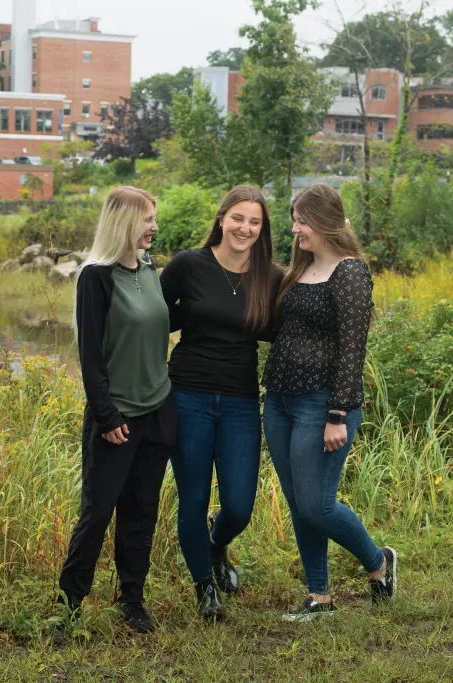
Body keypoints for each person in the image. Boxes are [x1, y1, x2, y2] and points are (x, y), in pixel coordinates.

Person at [262, 183, 396, 621]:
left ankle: (378, 563)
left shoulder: (350, 272)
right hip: (279, 400)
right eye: (295, 219)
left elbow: (352, 349)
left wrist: (337, 414)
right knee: (298, 501)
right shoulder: (299, 269)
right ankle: (319, 597)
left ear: (321, 222)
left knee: (316, 503)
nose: (295, 228)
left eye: (301, 220)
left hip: (321, 406)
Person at [56, 186, 175, 634]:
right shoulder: (96, 277)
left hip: (157, 413)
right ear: (123, 222)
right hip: (116, 418)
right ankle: (68, 606)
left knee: (142, 512)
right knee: (98, 512)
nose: (154, 227)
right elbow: (90, 356)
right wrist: (107, 417)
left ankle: (132, 601)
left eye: (153, 218)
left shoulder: (148, 267)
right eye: (147, 219)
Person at [160, 185, 282, 621]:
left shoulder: (271, 276)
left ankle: (216, 547)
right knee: (192, 498)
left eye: (254, 222)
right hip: (188, 394)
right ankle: (205, 586)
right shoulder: (188, 265)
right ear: (221, 218)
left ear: (262, 229)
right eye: (238, 218)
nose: (244, 229)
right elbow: (153, 318)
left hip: (241, 402)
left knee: (238, 505)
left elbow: (289, 327)